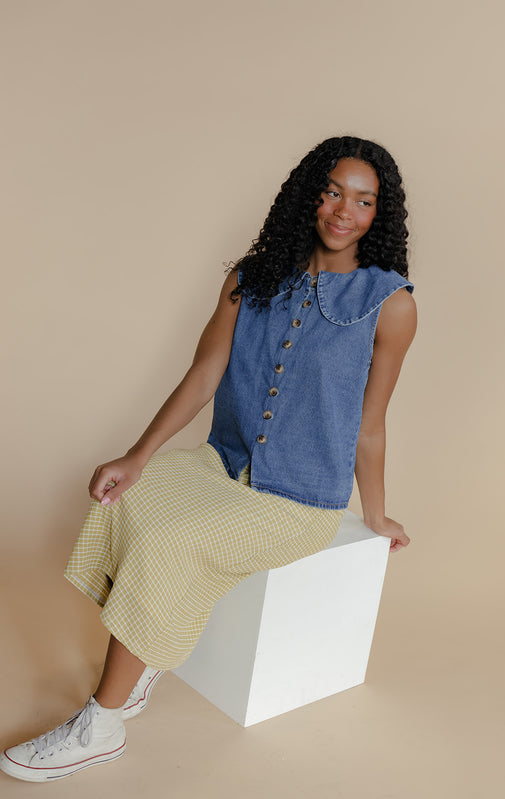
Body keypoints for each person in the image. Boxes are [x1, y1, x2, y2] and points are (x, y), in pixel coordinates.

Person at [0, 135, 417, 783]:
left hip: (298, 499)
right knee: (128, 500)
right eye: (333, 190)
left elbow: (370, 424)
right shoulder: (251, 278)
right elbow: (202, 375)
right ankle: (139, 666)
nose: (343, 210)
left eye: (363, 201)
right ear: (309, 192)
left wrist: (379, 515)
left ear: (378, 215)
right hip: (218, 463)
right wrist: (137, 456)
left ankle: (101, 723)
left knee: (170, 542)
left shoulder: (390, 304)